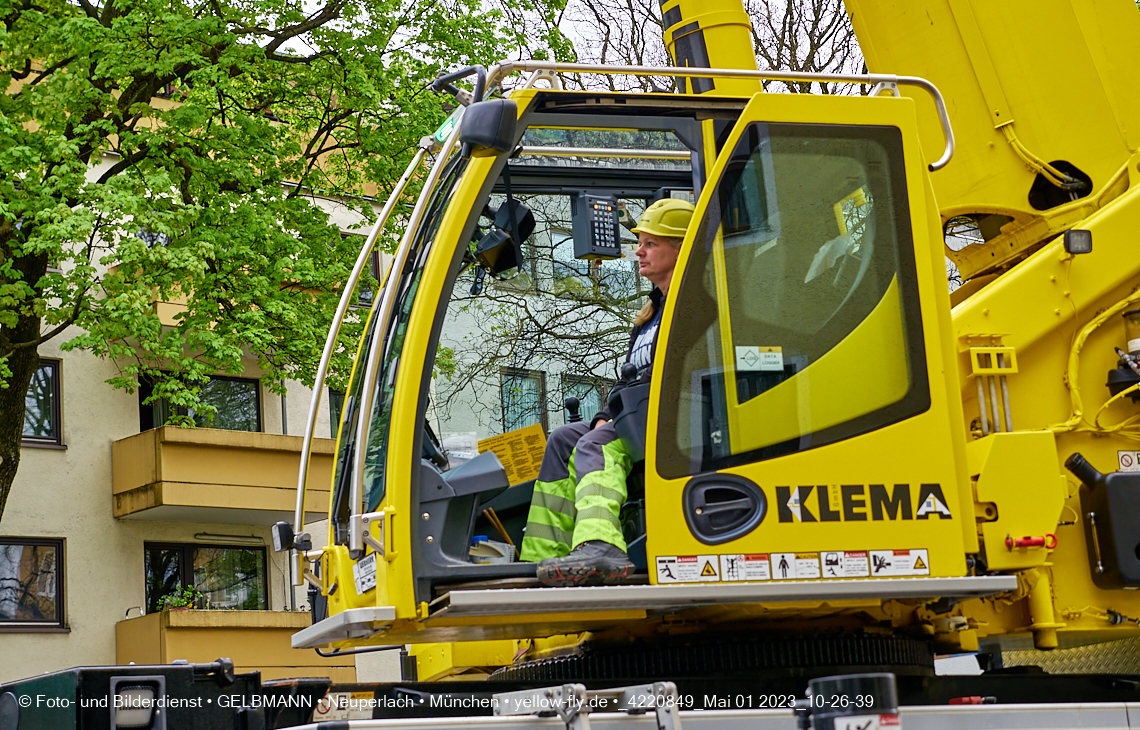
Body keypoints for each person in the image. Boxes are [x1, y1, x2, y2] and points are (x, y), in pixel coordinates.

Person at [519, 198, 695, 587]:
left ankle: (601, 544)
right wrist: (606, 412)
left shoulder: (697, 309)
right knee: (565, 438)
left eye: (651, 243)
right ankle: (544, 559)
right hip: (639, 415)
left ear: (682, 248)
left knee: (594, 445)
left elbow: (680, 374)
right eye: (641, 242)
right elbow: (628, 378)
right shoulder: (650, 315)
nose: (639, 251)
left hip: (678, 421)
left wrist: (611, 421)